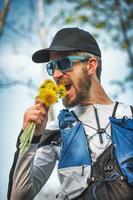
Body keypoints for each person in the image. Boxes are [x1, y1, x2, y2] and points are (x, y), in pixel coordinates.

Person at [8, 27, 133, 200]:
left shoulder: (130, 116)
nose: (56, 74)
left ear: (91, 65)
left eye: (64, 63)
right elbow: (18, 196)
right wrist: (31, 138)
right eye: (51, 67)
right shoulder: (56, 130)